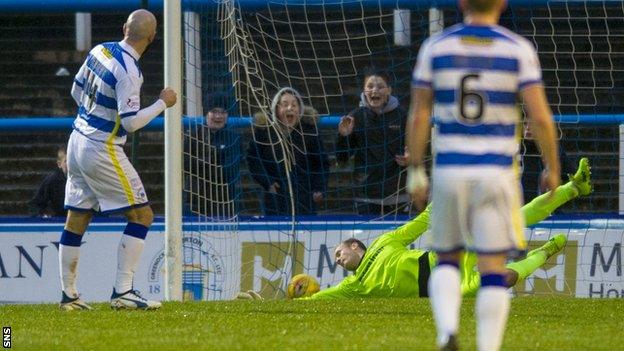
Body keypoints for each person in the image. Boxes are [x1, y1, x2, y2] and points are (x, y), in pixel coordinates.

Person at [406, 0, 561, 349]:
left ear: (461, 2)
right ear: (503, 3)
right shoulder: (517, 49)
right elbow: (540, 116)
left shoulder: (436, 47)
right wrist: (552, 167)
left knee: (447, 257)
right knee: (492, 268)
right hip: (496, 173)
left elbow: (419, 114)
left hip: (449, 170)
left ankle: (447, 332)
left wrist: (416, 170)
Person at [299, 160, 590, 301]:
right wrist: (296, 298)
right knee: (502, 279)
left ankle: (572, 188)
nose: (337, 259)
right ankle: (544, 253)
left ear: (355, 246)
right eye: (335, 258)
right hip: (441, 292)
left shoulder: (384, 242)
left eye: (339, 252)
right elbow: (318, 301)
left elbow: (420, 223)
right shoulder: (354, 287)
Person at [59, 9, 177, 311]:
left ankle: (69, 296)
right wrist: (162, 103)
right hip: (101, 147)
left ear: (124, 27)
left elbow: (75, 90)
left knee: (78, 216)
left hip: (77, 138)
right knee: (142, 215)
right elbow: (130, 124)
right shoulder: (129, 71)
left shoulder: (100, 50)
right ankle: (123, 292)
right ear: (151, 38)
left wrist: (93, 114)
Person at [247, 87, 328, 216]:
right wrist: (268, 182)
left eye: (294, 105)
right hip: (275, 195)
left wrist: (319, 188)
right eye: (285, 104)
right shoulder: (264, 132)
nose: (290, 108)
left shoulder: (310, 132)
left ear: (300, 109)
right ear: (276, 109)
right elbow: (254, 161)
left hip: (304, 195)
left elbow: (321, 163)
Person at [336, 72, 409, 216]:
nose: (375, 90)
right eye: (370, 86)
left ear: (389, 90)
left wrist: (410, 157)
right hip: (366, 192)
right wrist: (344, 136)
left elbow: (416, 147)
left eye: (380, 87)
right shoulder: (355, 116)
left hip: (398, 190)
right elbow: (342, 158)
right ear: (364, 90)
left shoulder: (403, 115)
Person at [184, 107, 240, 219]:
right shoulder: (194, 136)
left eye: (223, 112)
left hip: (224, 197)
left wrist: (206, 163)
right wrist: (214, 161)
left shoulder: (233, 137)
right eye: (214, 111)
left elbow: (231, 168)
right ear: (206, 114)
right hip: (196, 195)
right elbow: (186, 165)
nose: (218, 116)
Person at [29, 145, 68, 217]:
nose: (70, 164)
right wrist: (41, 215)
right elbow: (36, 203)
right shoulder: (52, 180)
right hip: (60, 219)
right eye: (66, 161)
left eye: (73, 160)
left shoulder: (86, 179)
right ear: (59, 164)